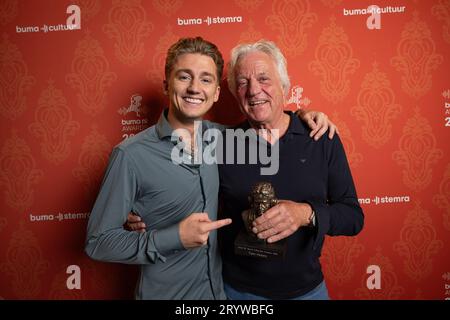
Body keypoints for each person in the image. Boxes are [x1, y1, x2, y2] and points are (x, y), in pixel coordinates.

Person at [86, 36, 336, 300]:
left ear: (216, 92)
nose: (195, 88)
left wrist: (303, 115)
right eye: (184, 77)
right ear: (166, 85)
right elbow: (98, 242)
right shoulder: (131, 155)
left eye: (205, 79)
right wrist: (173, 237)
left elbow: (268, 119)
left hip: (218, 294)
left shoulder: (225, 140)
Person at [217, 40, 364, 300]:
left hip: (308, 291)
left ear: (284, 85)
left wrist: (305, 213)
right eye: (242, 82)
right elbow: (189, 201)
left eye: (264, 78)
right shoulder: (221, 145)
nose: (253, 90)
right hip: (238, 293)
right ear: (233, 92)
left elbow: (353, 217)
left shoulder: (321, 136)